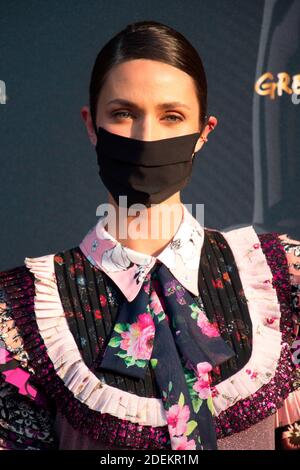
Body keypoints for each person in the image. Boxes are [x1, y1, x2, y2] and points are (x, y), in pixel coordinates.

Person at [0, 20, 299, 451]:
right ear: (92, 126)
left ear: (203, 134)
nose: (146, 137)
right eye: (124, 113)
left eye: (171, 116)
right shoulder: (20, 314)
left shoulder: (284, 280)